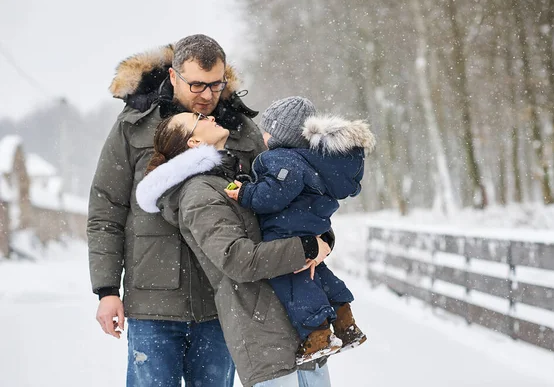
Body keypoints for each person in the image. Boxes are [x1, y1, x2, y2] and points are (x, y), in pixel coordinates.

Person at [87, 34, 266, 386]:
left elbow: (274, 200)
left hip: (221, 300)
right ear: (173, 76)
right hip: (152, 303)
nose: (207, 95)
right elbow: (106, 208)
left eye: (216, 85)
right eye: (197, 84)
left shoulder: (242, 131)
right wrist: (107, 290)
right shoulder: (133, 125)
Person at [135, 112, 333, 387]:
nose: (210, 115)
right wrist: (308, 247)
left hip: (295, 320)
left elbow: (282, 220)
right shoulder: (198, 192)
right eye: (199, 117)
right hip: (264, 330)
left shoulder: (229, 177)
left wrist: (322, 239)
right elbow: (237, 259)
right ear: (193, 142)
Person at [225, 97, 374, 364]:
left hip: (287, 231)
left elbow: (273, 195)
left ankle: (317, 334)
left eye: (267, 130)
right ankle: (345, 320)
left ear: (281, 134)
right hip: (308, 226)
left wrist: (246, 192)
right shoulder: (310, 161)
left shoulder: (282, 159)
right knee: (319, 274)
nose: (263, 135)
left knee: (293, 280)